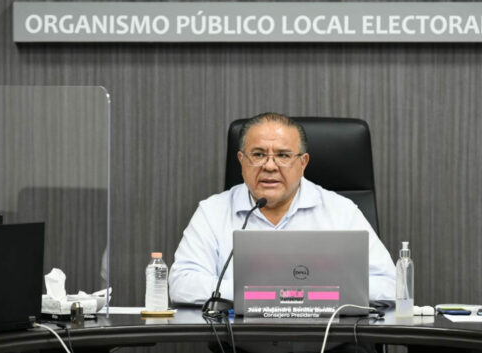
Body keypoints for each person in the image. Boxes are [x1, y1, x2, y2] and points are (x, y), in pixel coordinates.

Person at [169, 113, 396, 304]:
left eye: (283, 155)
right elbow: (182, 283)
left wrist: (303, 293)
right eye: (258, 155)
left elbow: (390, 285)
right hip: (243, 343)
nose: (269, 166)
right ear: (241, 160)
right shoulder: (213, 211)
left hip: (328, 343)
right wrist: (268, 293)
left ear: (303, 162)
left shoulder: (341, 211)